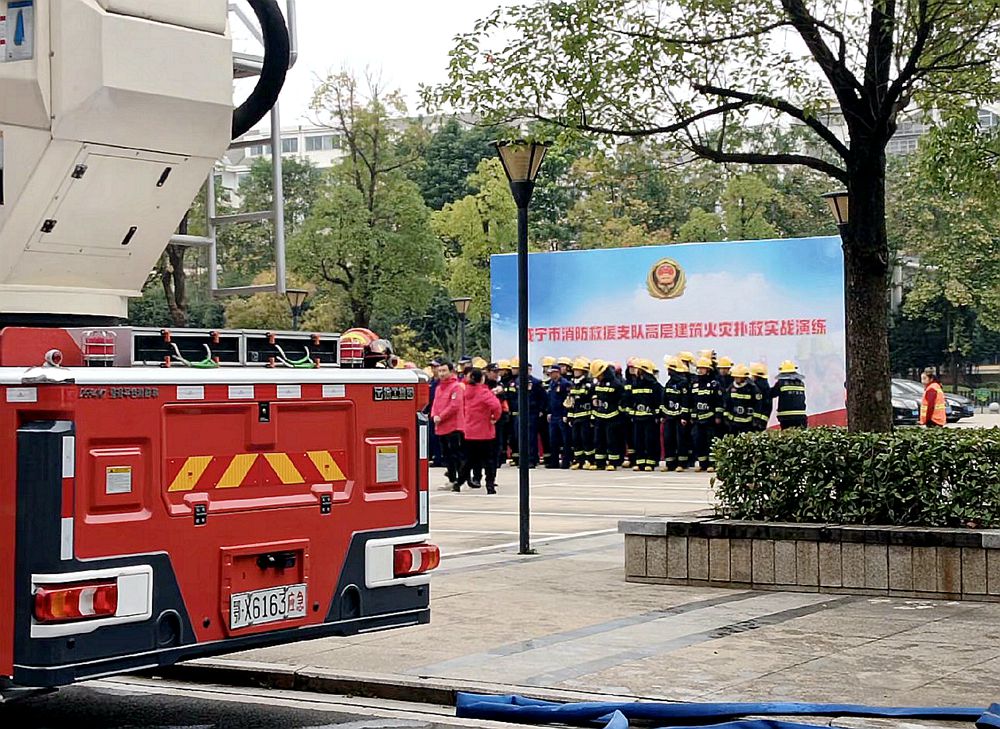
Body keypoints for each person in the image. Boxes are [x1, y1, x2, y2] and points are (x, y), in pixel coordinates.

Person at [458, 368, 503, 493]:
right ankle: (490, 485)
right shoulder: (484, 392)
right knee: (489, 461)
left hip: (469, 431)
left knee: (468, 460)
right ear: (482, 379)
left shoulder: (465, 392)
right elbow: (496, 406)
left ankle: (459, 482)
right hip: (484, 431)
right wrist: (494, 418)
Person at [431, 360, 466, 490]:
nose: (441, 373)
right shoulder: (438, 387)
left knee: (455, 454)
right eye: (440, 371)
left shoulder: (456, 387)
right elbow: (435, 404)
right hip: (441, 426)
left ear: (451, 371)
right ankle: (452, 478)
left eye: (444, 371)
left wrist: (441, 416)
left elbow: (454, 405)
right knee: (446, 455)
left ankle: (461, 479)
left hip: (453, 426)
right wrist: (434, 415)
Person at [690, 356, 723, 472]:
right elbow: (691, 401)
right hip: (698, 419)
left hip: (710, 419)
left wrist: (718, 416)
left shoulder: (714, 384)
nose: (700, 370)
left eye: (703, 368)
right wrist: (692, 415)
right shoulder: (694, 384)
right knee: (698, 440)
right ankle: (702, 463)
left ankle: (712, 464)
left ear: (708, 370)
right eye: (699, 368)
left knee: (710, 441)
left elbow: (719, 401)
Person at [591, 359, 624, 470]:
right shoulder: (598, 383)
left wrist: (619, 412)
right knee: (598, 440)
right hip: (600, 415)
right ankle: (600, 463)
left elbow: (622, 399)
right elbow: (593, 392)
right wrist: (594, 398)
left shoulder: (616, 384)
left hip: (612, 416)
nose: (597, 377)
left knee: (612, 440)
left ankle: (613, 462)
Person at [630, 359, 662, 472]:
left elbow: (659, 402)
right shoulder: (635, 384)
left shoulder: (655, 385)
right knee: (638, 441)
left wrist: (656, 415)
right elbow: (630, 401)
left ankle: (650, 462)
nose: (635, 371)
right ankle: (640, 462)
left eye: (637, 369)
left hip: (650, 419)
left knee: (650, 441)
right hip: (638, 418)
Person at [661, 356, 691, 472]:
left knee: (680, 440)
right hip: (669, 416)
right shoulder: (669, 383)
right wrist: (663, 415)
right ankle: (670, 463)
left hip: (679, 417)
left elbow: (685, 400)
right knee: (668, 439)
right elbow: (664, 399)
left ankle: (681, 463)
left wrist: (684, 417)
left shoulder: (683, 383)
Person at [568, 357, 596, 470]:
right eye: (574, 370)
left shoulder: (589, 384)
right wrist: (570, 416)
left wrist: (592, 417)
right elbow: (571, 402)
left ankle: (590, 460)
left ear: (583, 371)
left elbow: (593, 402)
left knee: (586, 439)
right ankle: (579, 460)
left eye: (577, 370)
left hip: (586, 416)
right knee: (576, 439)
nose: (575, 372)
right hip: (576, 416)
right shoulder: (573, 384)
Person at [544, 364, 574, 468]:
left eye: (552, 373)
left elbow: (568, 400)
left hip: (562, 415)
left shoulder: (565, 384)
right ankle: (554, 462)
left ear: (557, 372)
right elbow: (550, 399)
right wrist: (549, 412)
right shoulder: (551, 384)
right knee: (553, 440)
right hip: (553, 415)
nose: (550, 375)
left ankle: (566, 461)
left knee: (565, 440)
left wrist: (566, 414)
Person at [724, 364, 762, 435]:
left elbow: (758, 405)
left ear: (744, 377)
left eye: (738, 377)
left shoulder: (752, 388)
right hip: (733, 422)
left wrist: (756, 419)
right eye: (735, 377)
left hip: (747, 422)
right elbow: (727, 402)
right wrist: (726, 417)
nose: (736, 379)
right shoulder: (731, 387)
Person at [771, 360, 808, 430]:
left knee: (787, 435)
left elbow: (772, 393)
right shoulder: (801, 383)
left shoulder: (781, 383)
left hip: (786, 417)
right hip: (801, 416)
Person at [750, 362, 772, 431]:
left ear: (755, 376)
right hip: (762, 419)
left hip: (756, 420)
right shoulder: (766, 386)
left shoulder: (755, 387)